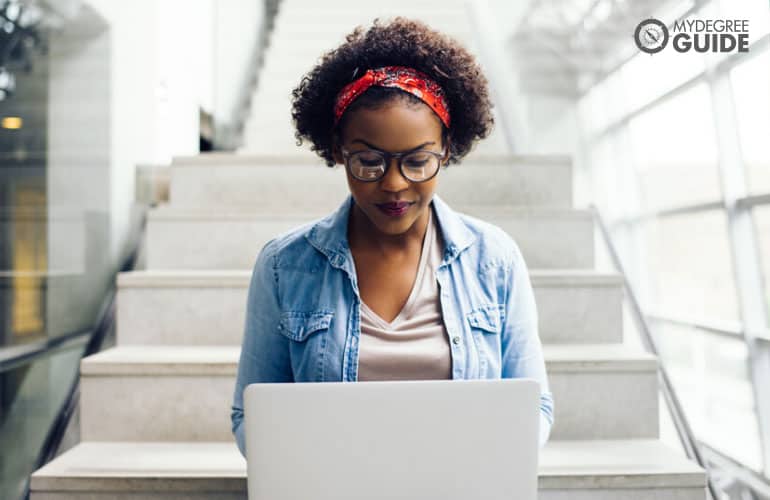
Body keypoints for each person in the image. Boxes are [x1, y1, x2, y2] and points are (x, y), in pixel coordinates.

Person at [231, 17, 553, 457]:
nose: (395, 184)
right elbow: (251, 416)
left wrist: (486, 465)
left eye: (418, 161)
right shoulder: (284, 266)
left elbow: (535, 406)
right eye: (368, 161)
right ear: (338, 151)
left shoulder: (494, 259)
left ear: (446, 150)